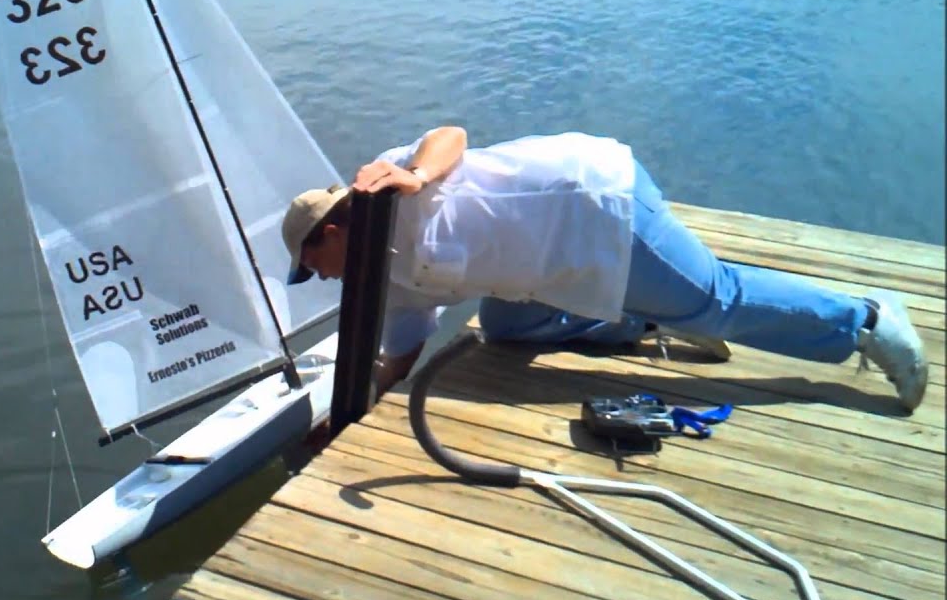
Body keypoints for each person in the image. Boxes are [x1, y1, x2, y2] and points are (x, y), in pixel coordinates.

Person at [281, 126, 929, 413]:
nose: (326, 280)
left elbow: (449, 134)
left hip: (595, 205)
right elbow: (400, 352)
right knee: (502, 327)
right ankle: (643, 320)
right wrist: (351, 409)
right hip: (546, 272)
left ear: (331, 233)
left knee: (715, 301)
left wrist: (418, 175)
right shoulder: (384, 282)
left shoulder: (386, 184)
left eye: (316, 267)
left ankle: (866, 321)